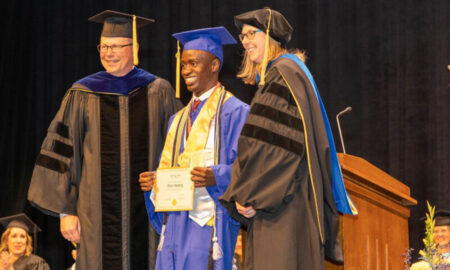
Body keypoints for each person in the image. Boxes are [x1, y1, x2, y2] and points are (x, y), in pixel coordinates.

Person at [27, 10, 181, 270]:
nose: (108, 52)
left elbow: (179, 148)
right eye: (103, 46)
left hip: (149, 213)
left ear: (134, 48)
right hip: (94, 216)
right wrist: (66, 212)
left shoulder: (158, 91)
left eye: (116, 46)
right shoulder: (82, 93)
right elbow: (63, 153)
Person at [219, 8, 357, 269]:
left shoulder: (281, 75)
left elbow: (274, 149)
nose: (245, 41)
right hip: (288, 200)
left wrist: (249, 195)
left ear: (270, 36)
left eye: (251, 33)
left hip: (281, 209)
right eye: (242, 36)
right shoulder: (290, 73)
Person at [139, 26, 249, 270]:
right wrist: (154, 184)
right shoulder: (176, 120)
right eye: (184, 64)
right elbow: (174, 172)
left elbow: (248, 171)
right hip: (175, 227)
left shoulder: (235, 112)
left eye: (194, 63)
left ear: (214, 65)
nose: (186, 70)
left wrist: (215, 175)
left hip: (210, 224)